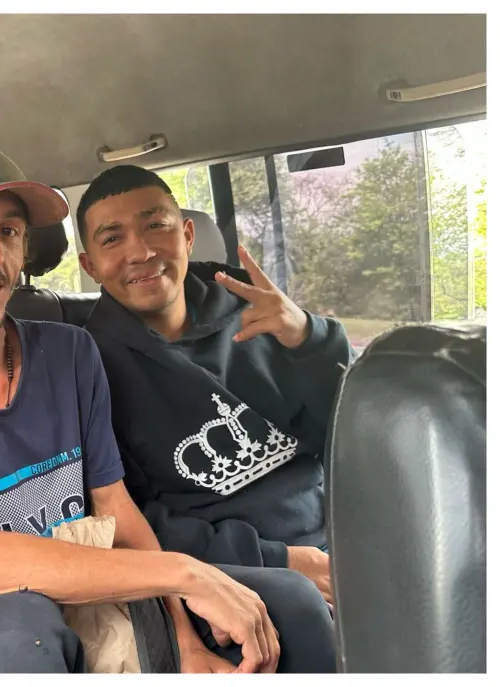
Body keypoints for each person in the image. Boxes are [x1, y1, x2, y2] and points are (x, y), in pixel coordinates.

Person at [0, 133, 336, 674]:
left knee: (293, 603)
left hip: (105, 593)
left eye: (8, 231)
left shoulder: (68, 352)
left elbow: (115, 509)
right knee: (18, 628)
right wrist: (185, 574)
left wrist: (180, 640)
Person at [77, 164, 356, 605]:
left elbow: (356, 432)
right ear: (89, 265)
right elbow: (129, 519)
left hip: (344, 533)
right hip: (230, 571)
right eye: (113, 238)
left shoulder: (260, 310)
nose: (142, 251)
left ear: (187, 235)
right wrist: (278, 560)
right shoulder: (88, 366)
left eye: (156, 226)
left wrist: (309, 338)